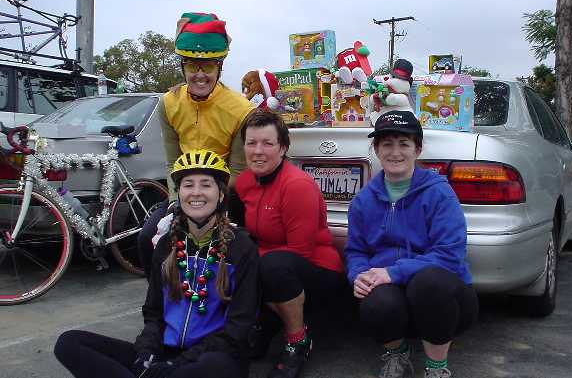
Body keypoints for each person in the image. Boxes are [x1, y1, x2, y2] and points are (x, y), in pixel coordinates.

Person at [55, 150, 259, 378]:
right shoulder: (166, 245)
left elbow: (238, 328)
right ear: (179, 193)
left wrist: (178, 364)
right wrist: (146, 353)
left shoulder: (241, 247)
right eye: (188, 185)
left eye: (206, 185)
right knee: (69, 343)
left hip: (211, 357)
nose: (196, 193)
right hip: (165, 351)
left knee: (212, 368)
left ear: (220, 194)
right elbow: (154, 312)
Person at [344, 110, 479, 378]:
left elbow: (450, 255)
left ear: (417, 149)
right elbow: (356, 250)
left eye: (404, 144)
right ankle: (397, 354)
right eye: (387, 144)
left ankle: (437, 367)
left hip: (445, 301)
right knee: (375, 301)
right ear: (376, 149)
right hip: (395, 300)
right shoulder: (363, 200)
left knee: (429, 282)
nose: (395, 152)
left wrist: (393, 272)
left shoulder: (439, 192)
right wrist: (358, 274)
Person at [137, 11, 255, 278]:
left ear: (219, 68)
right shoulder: (168, 103)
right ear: (183, 68)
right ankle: (160, 306)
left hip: (225, 193)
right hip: (183, 192)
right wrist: (176, 201)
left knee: (236, 247)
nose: (199, 75)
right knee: (147, 239)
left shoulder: (241, 110)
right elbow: (171, 162)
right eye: (192, 66)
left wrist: (208, 200)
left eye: (208, 67)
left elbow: (237, 171)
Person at [231, 109, 345, 378]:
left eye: (267, 143)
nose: (258, 151)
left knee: (270, 265)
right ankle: (265, 324)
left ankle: (298, 340)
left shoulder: (297, 186)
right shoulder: (245, 181)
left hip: (317, 269)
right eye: (251, 143)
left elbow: (300, 252)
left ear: (282, 148)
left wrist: (248, 260)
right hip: (273, 263)